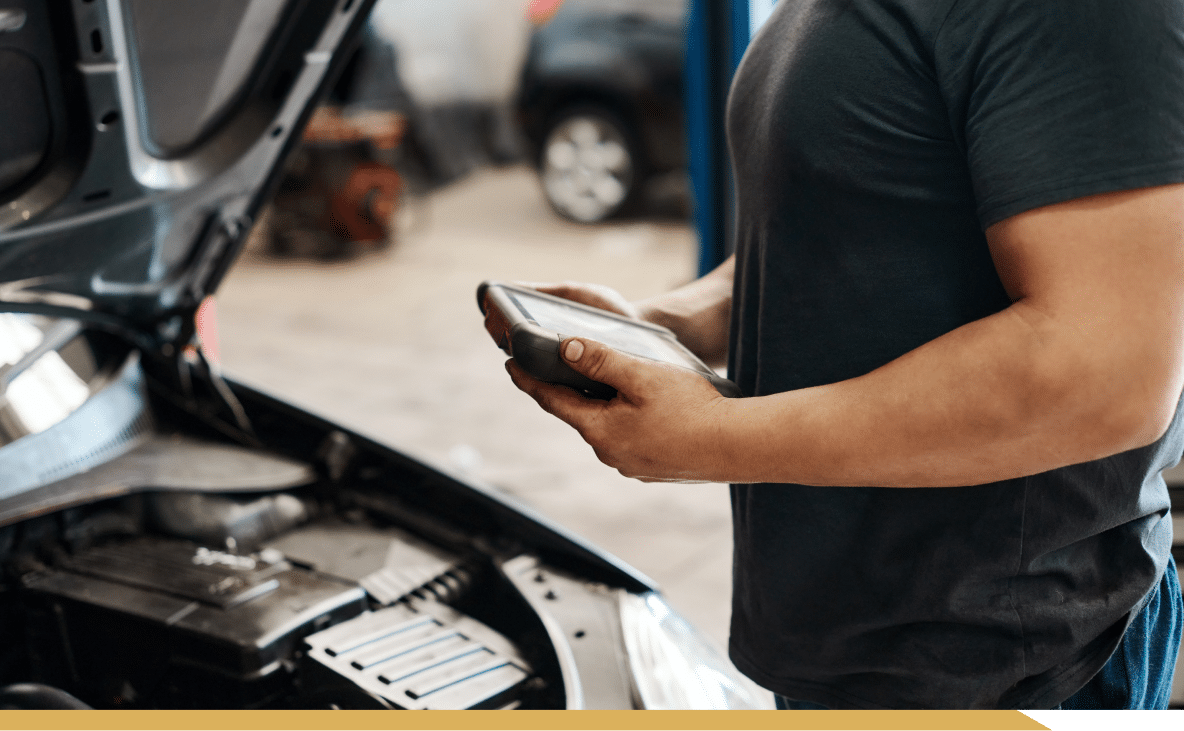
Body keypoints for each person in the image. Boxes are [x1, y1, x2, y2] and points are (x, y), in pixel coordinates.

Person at [496, 0, 1184, 710]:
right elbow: (843, 226)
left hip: (1016, 665)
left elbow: (1104, 372)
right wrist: (665, 321)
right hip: (854, 649)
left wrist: (711, 437)